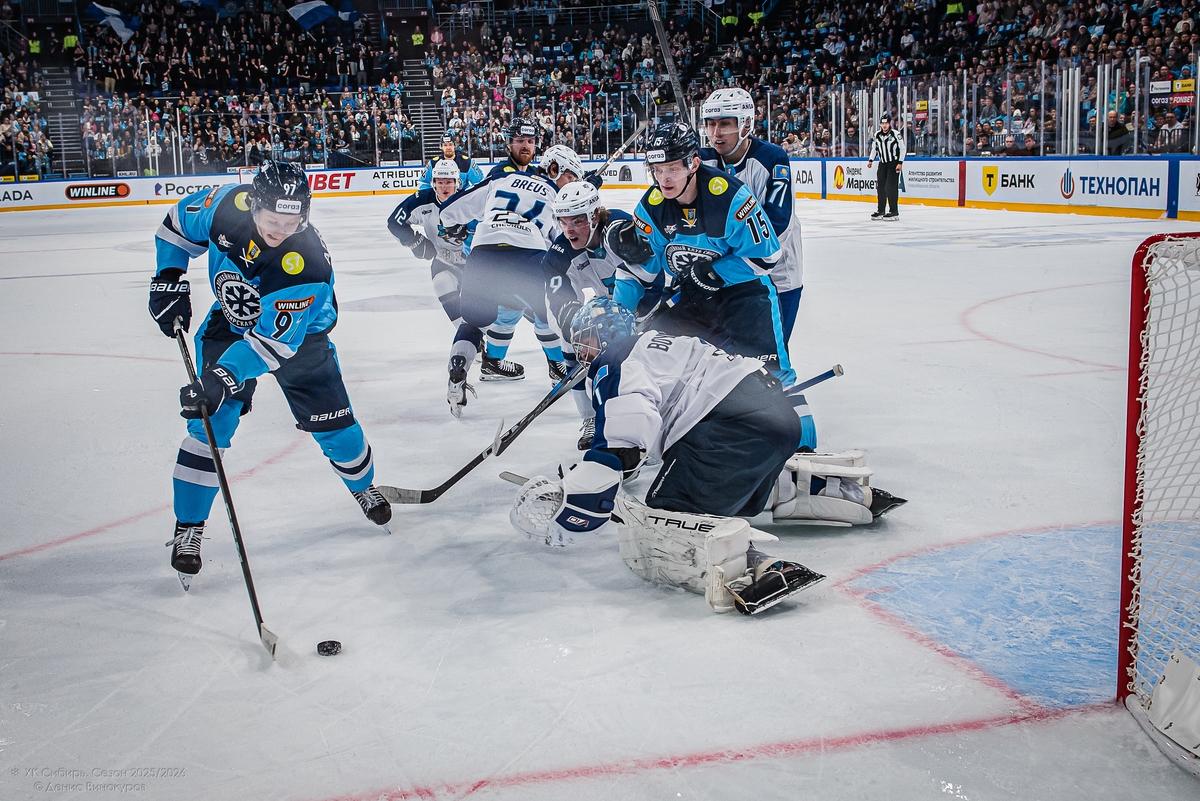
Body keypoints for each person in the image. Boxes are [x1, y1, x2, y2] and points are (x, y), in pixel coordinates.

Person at [509, 299, 905, 615]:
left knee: (668, 511)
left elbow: (626, 434)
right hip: (775, 416)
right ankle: (838, 491)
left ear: (601, 336)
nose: (581, 352)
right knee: (719, 474)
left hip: (730, 425)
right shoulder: (658, 341)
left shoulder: (615, 360)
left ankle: (756, 569)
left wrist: (582, 491)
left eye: (585, 342)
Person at [149, 162, 391, 586]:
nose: (280, 230)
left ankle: (362, 485)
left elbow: (273, 346)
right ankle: (189, 527)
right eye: (271, 220)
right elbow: (176, 226)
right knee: (210, 424)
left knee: (336, 428)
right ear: (252, 207)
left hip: (300, 340)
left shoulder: (305, 265)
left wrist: (219, 378)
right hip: (231, 323)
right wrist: (168, 277)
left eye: (292, 221)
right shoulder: (227, 205)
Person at [605, 120, 796, 389]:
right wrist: (619, 317)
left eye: (672, 168)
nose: (664, 179)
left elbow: (766, 257)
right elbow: (637, 272)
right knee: (661, 372)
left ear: (693, 164)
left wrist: (715, 273)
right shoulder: (651, 208)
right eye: (657, 170)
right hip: (690, 298)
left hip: (745, 296)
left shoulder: (730, 197)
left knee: (768, 380)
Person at [435, 121, 573, 416]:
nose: (525, 145)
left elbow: (449, 212)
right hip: (528, 254)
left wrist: (454, 228)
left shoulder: (499, 179)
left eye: (530, 140)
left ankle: (459, 369)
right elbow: (561, 239)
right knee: (547, 313)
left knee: (473, 323)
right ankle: (558, 368)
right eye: (520, 140)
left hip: (484, 255)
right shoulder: (551, 193)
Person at [542, 180, 663, 450]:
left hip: (651, 306)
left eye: (577, 221)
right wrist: (583, 328)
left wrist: (632, 317)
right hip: (613, 310)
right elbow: (560, 304)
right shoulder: (559, 255)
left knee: (649, 364)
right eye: (563, 222)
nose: (569, 230)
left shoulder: (621, 233)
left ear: (595, 215)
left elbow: (655, 278)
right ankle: (591, 419)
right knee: (571, 342)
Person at [700, 87, 805, 350]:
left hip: (778, 274)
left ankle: (776, 384)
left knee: (768, 351)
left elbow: (777, 226)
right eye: (711, 124)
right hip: (733, 271)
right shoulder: (704, 160)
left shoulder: (771, 158)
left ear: (746, 123)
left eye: (725, 124)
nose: (716, 133)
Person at [386, 158, 466, 328]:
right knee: (442, 284)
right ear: (433, 183)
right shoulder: (422, 200)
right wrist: (416, 242)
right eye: (440, 182)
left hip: (475, 262)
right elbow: (394, 222)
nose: (444, 186)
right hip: (444, 260)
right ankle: (464, 333)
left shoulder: (471, 200)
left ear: (457, 182)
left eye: (449, 182)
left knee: (483, 307)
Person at [866, 115, 905, 220]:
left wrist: (900, 163)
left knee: (891, 187)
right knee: (881, 187)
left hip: (893, 163)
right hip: (882, 163)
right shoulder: (877, 134)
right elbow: (875, 148)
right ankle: (881, 210)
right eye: (882, 123)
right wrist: (870, 160)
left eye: (886, 123)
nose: (884, 125)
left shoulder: (896, 134)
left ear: (889, 124)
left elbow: (902, 149)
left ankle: (894, 211)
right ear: (880, 124)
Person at [417, 134, 484, 191]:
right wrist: (431, 196)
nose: (448, 147)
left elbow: (480, 183)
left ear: (455, 146)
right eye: (445, 145)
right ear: (441, 147)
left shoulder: (466, 162)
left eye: (450, 144)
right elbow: (422, 182)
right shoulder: (433, 163)